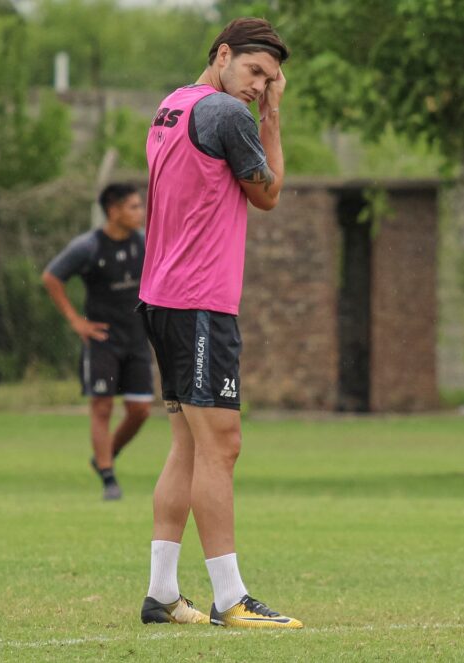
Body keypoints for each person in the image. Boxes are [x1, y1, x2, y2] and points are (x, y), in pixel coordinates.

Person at [135, 17, 301, 629]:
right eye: (255, 72)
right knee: (222, 444)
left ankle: (161, 594)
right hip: (199, 303)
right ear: (223, 55)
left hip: (161, 296)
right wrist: (273, 119)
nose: (260, 86)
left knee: (187, 445)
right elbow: (268, 193)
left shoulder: (172, 105)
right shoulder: (230, 116)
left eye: (270, 80)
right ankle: (231, 598)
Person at [42, 183, 153, 501]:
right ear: (113, 211)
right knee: (102, 407)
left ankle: (106, 455)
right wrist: (76, 321)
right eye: (133, 206)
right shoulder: (88, 247)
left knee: (140, 410)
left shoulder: (145, 243)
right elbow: (51, 277)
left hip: (137, 339)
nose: (140, 212)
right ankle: (108, 478)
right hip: (103, 340)